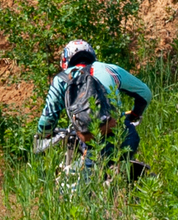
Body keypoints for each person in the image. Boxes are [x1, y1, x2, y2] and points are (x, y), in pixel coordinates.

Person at [35, 40, 151, 179]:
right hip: (125, 133)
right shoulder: (110, 69)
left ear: (65, 59)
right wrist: (134, 114)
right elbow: (145, 93)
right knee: (127, 175)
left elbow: (48, 118)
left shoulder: (62, 79)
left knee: (86, 192)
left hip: (94, 142)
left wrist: (43, 135)